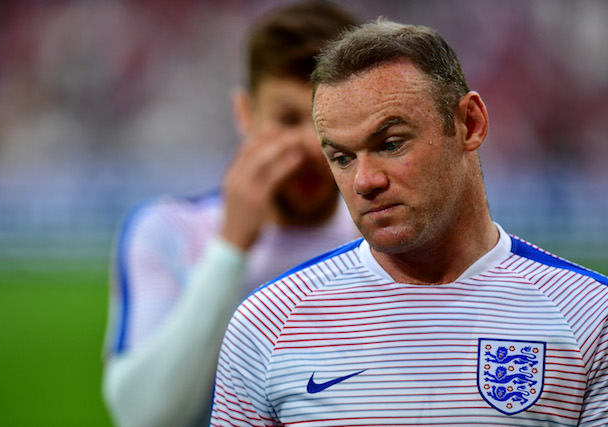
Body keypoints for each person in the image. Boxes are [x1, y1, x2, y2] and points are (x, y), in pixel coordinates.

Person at [209, 18, 608, 426]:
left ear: (470, 124)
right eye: (342, 158)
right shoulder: (267, 323)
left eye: (390, 144)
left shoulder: (590, 315)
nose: (364, 181)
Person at [101, 2, 360, 426]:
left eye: (326, 119)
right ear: (244, 113)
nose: (312, 146)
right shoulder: (169, 231)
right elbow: (143, 416)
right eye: (288, 118)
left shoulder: (386, 239)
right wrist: (229, 249)